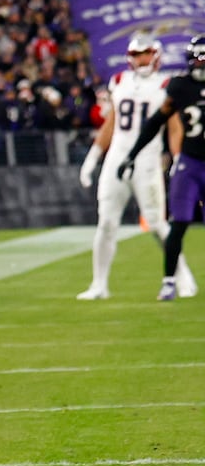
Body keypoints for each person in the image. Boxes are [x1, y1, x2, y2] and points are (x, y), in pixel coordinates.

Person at [78, 33, 197, 300]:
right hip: (117, 157)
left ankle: (183, 276)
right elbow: (112, 123)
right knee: (106, 223)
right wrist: (93, 157)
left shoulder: (167, 84)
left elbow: (174, 126)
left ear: (155, 54)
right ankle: (99, 285)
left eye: (145, 53)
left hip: (147, 159)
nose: (141, 59)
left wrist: (178, 160)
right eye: (136, 54)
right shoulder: (119, 81)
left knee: (156, 223)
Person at [118, 34, 205, 301]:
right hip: (190, 162)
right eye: (196, 59)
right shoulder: (180, 86)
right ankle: (169, 282)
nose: (199, 65)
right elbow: (156, 121)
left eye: (204, 59)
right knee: (177, 223)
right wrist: (132, 154)